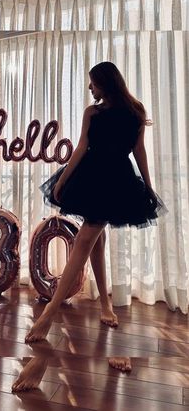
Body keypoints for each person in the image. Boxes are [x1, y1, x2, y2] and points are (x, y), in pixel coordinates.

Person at [25, 61, 168, 372]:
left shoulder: (136, 110)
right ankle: (104, 303)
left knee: (85, 239)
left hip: (116, 179)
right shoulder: (93, 113)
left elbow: (139, 150)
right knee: (96, 241)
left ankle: (49, 312)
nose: (90, 88)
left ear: (106, 81)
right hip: (90, 175)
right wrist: (61, 181)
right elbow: (81, 147)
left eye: (93, 83)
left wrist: (149, 186)